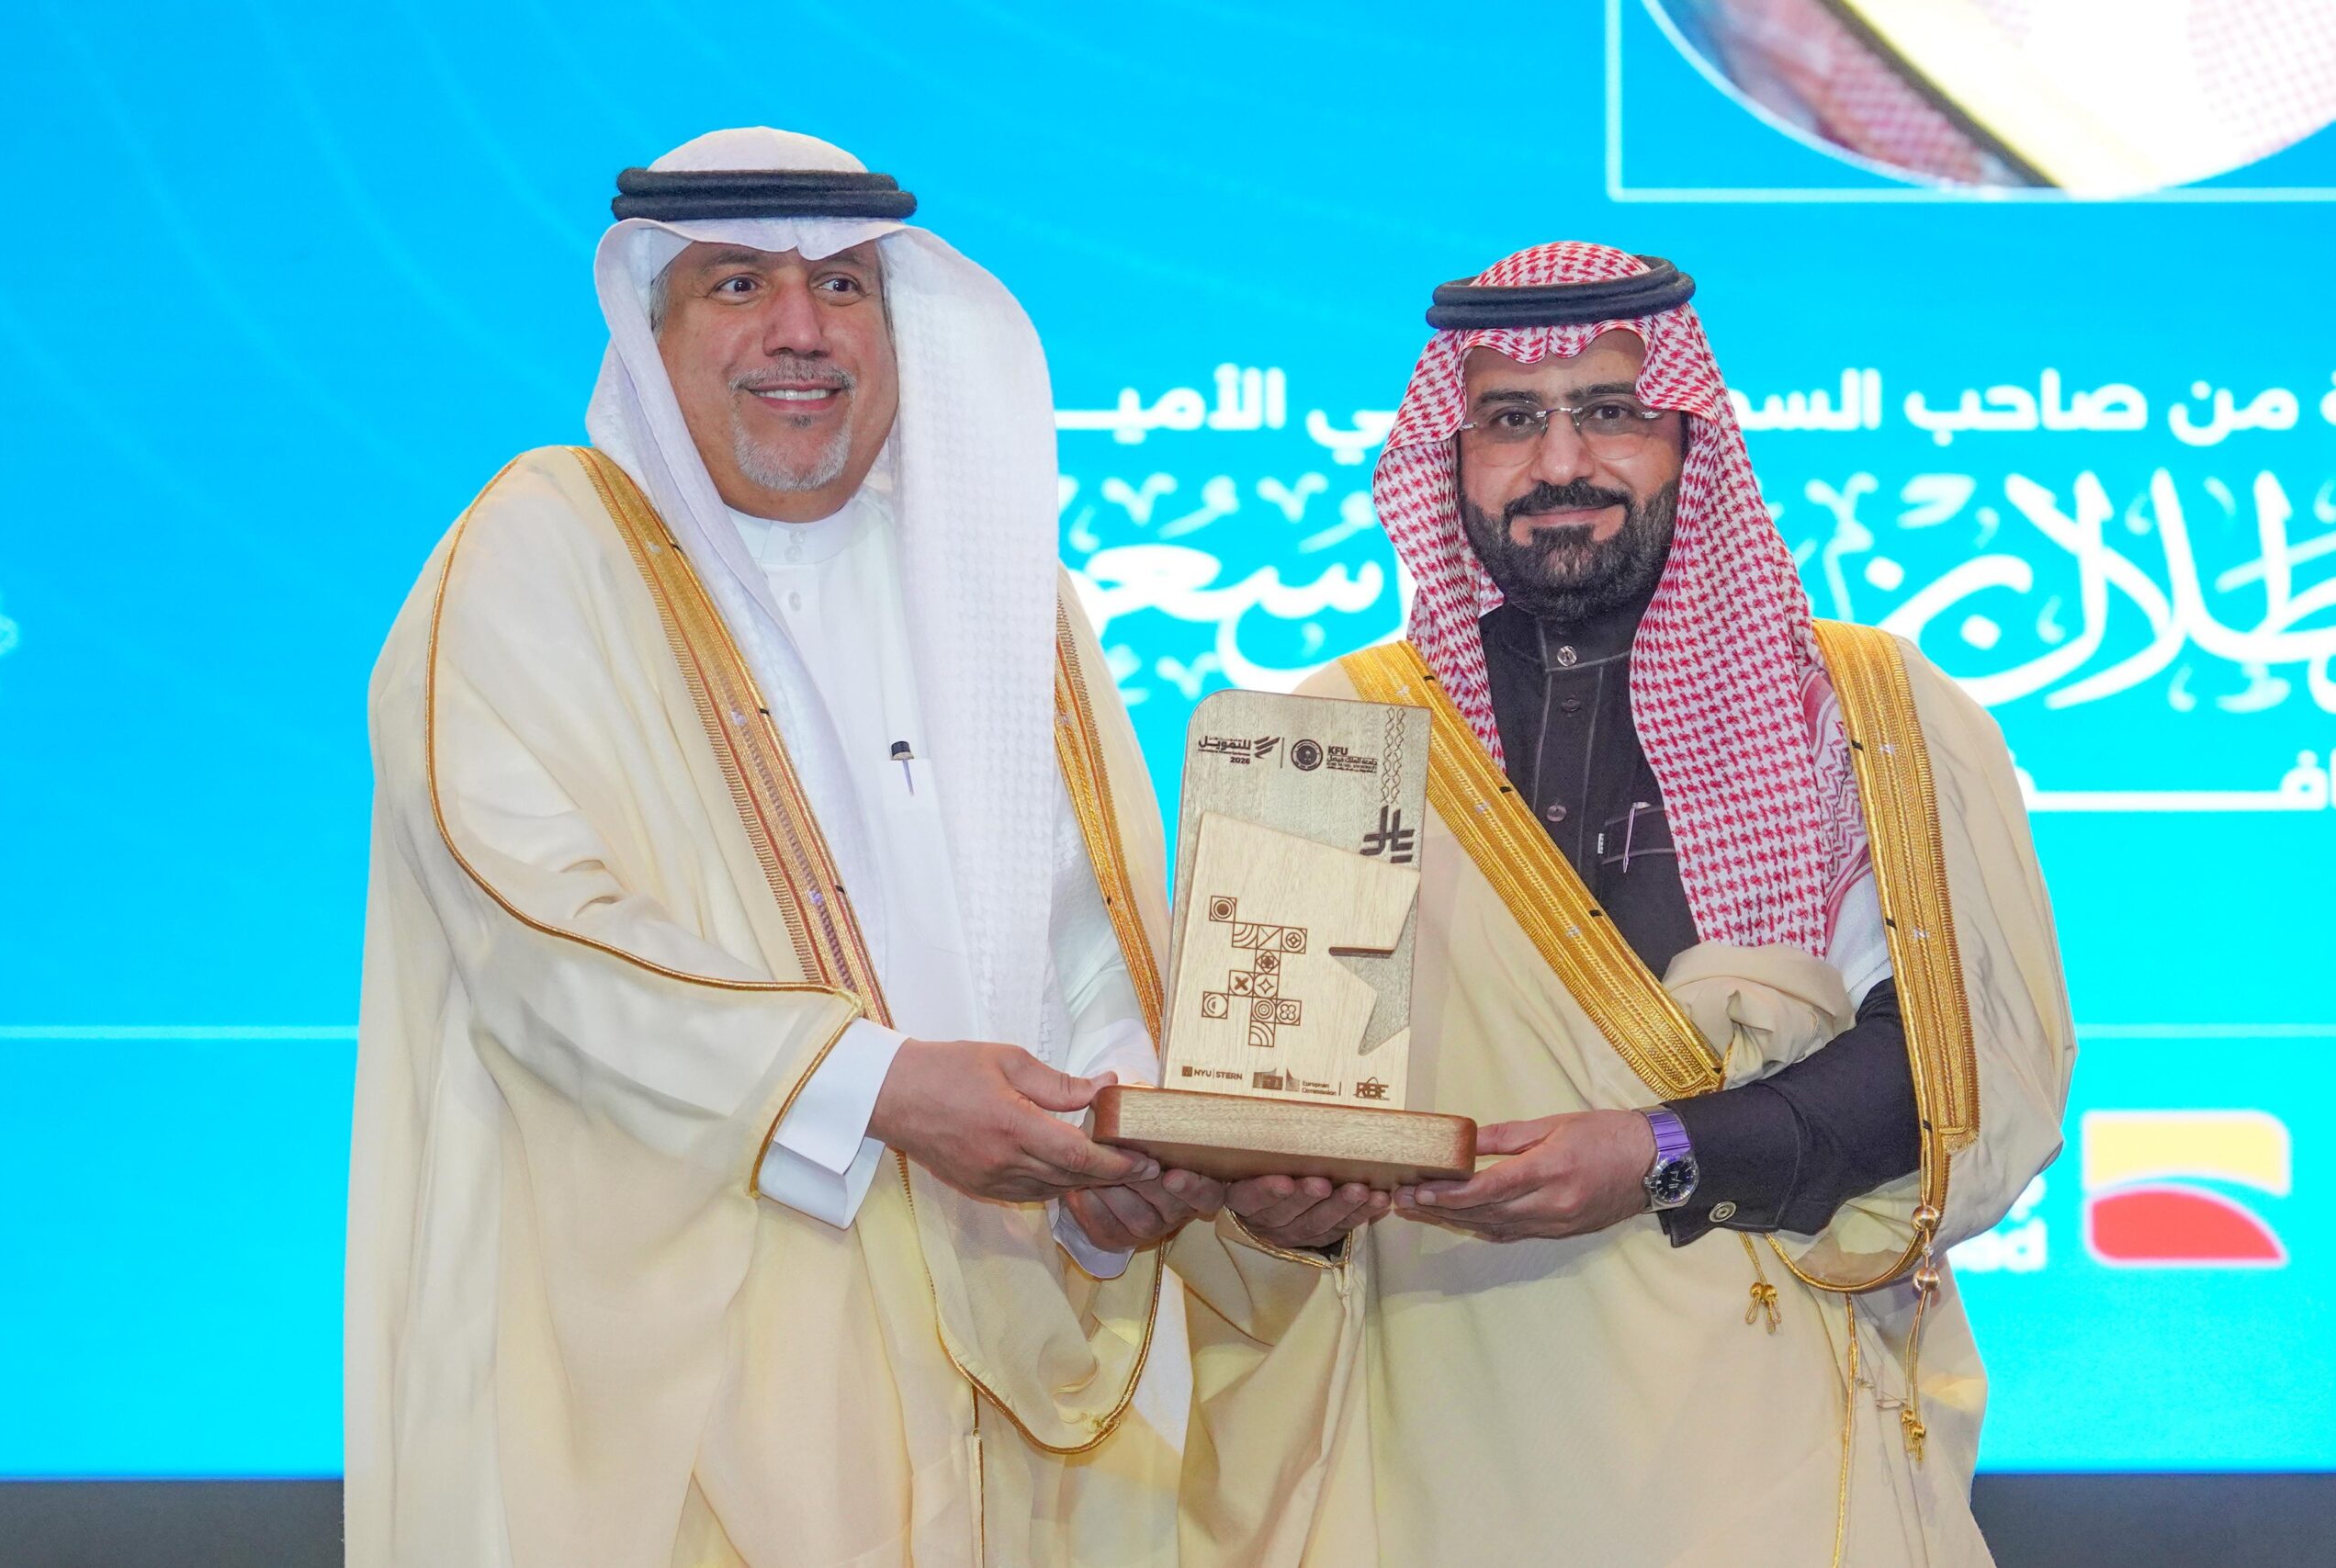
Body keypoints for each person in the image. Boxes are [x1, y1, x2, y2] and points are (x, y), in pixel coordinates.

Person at [346, 126, 1217, 1568]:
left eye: (843, 287)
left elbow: (1091, 938)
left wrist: (1114, 1147)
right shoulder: (543, 552)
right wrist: (881, 1088)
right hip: (668, 1384)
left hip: (1000, 1359)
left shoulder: (1005, 590)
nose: (800, 331)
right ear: (652, 332)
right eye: (739, 285)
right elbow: (539, 941)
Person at [1171, 243, 2074, 1567]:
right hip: (1432, 1432)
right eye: (1510, 420)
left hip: (1756, 1431)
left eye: (1611, 412)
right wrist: (1270, 1208)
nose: (1559, 464)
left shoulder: (1861, 713)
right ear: (1448, 454)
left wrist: (1658, 1152)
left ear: (1689, 440)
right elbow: (1261, 1132)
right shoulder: (1321, 739)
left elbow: (1946, 1068)